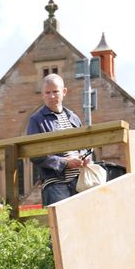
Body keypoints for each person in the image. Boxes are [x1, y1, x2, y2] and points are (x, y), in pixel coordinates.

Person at [26, 73, 91, 206]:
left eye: (55, 91)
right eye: (47, 92)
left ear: (64, 92)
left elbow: (85, 144)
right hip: (55, 183)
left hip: (80, 180)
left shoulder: (73, 117)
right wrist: (64, 162)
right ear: (42, 94)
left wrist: (84, 156)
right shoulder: (36, 120)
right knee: (61, 225)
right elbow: (34, 154)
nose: (52, 96)